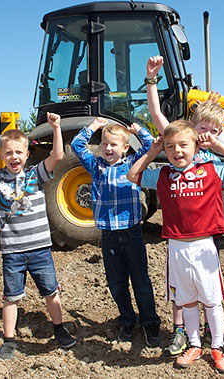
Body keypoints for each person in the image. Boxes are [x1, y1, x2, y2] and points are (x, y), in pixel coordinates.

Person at [127, 120, 224, 374]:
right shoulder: (162, 174)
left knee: (212, 300)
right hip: (177, 247)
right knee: (188, 300)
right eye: (170, 146)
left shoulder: (211, 168)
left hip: (205, 246)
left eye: (184, 144)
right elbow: (132, 174)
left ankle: (218, 346)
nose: (177, 151)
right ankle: (194, 345)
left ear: (195, 146)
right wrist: (152, 152)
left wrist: (216, 144)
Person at [0, 113, 76, 360]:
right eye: (9, 153)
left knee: (51, 292)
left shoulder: (36, 175)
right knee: (11, 297)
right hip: (12, 253)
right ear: (1, 156)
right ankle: (9, 340)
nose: (14, 157)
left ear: (26, 154)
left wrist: (56, 128)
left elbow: (57, 156)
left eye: (18, 152)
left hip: (40, 250)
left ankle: (59, 330)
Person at [146, 55, 224, 356]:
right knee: (181, 291)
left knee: (209, 293)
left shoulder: (215, 158)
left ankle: (213, 335)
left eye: (212, 130)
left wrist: (216, 128)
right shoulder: (181, 149)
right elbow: (158, 115)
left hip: (207, 219)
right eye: (199, 128)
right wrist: (152, 81)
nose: (203, 134)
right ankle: (184, 333)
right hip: (180, 230)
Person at [70, 117, 161, 346]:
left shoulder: (134, 164)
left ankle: (150, 323)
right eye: (104, 144)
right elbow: (76, 146)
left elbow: (151, 146)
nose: (108, 148)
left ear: (125, 147)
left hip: (132, 234)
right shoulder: (96, 166)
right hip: (109, 236)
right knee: (116, 282)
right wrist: (93, 126)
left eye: (113, 144)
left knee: (141, 281)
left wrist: (137, 129)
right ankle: (127, 320)